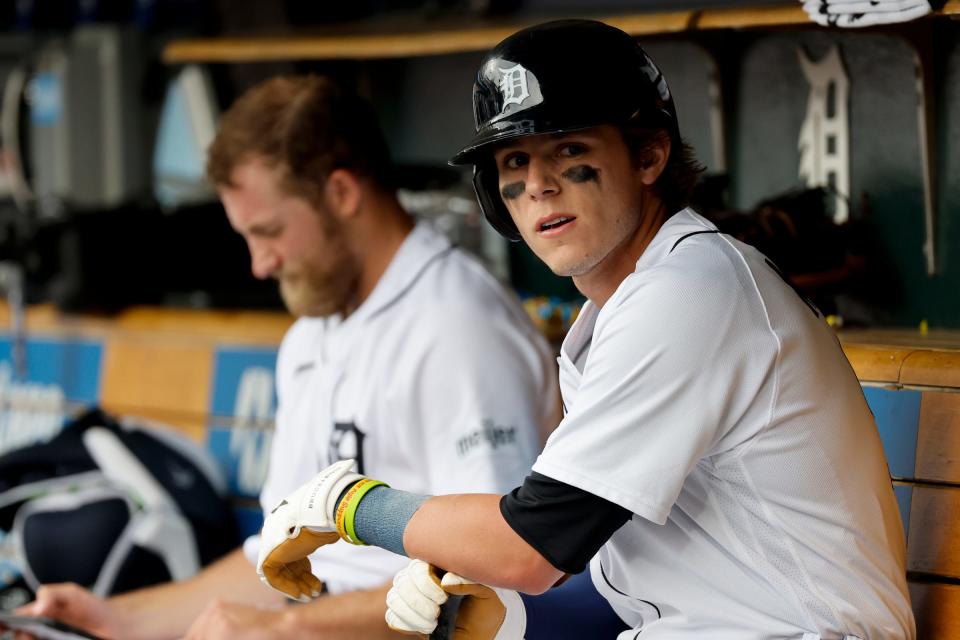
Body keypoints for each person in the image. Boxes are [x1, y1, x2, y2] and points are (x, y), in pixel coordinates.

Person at [255, 20, 917, 640]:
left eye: (568, 150)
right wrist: (494, 617)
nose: (538, 184)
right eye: (513, 163)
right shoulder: (623, 309)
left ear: (649, 154)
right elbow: (606, 570)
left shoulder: (688, 292)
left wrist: (348, 503)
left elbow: (530, 547)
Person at [16, 74, 562, 639]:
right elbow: (276, 561)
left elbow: (491, 582)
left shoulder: (459, 326)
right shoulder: (312, 330)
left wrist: (286, 630)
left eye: (269, 231)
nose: (259, 263)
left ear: (342, 194)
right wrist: (115, 620)